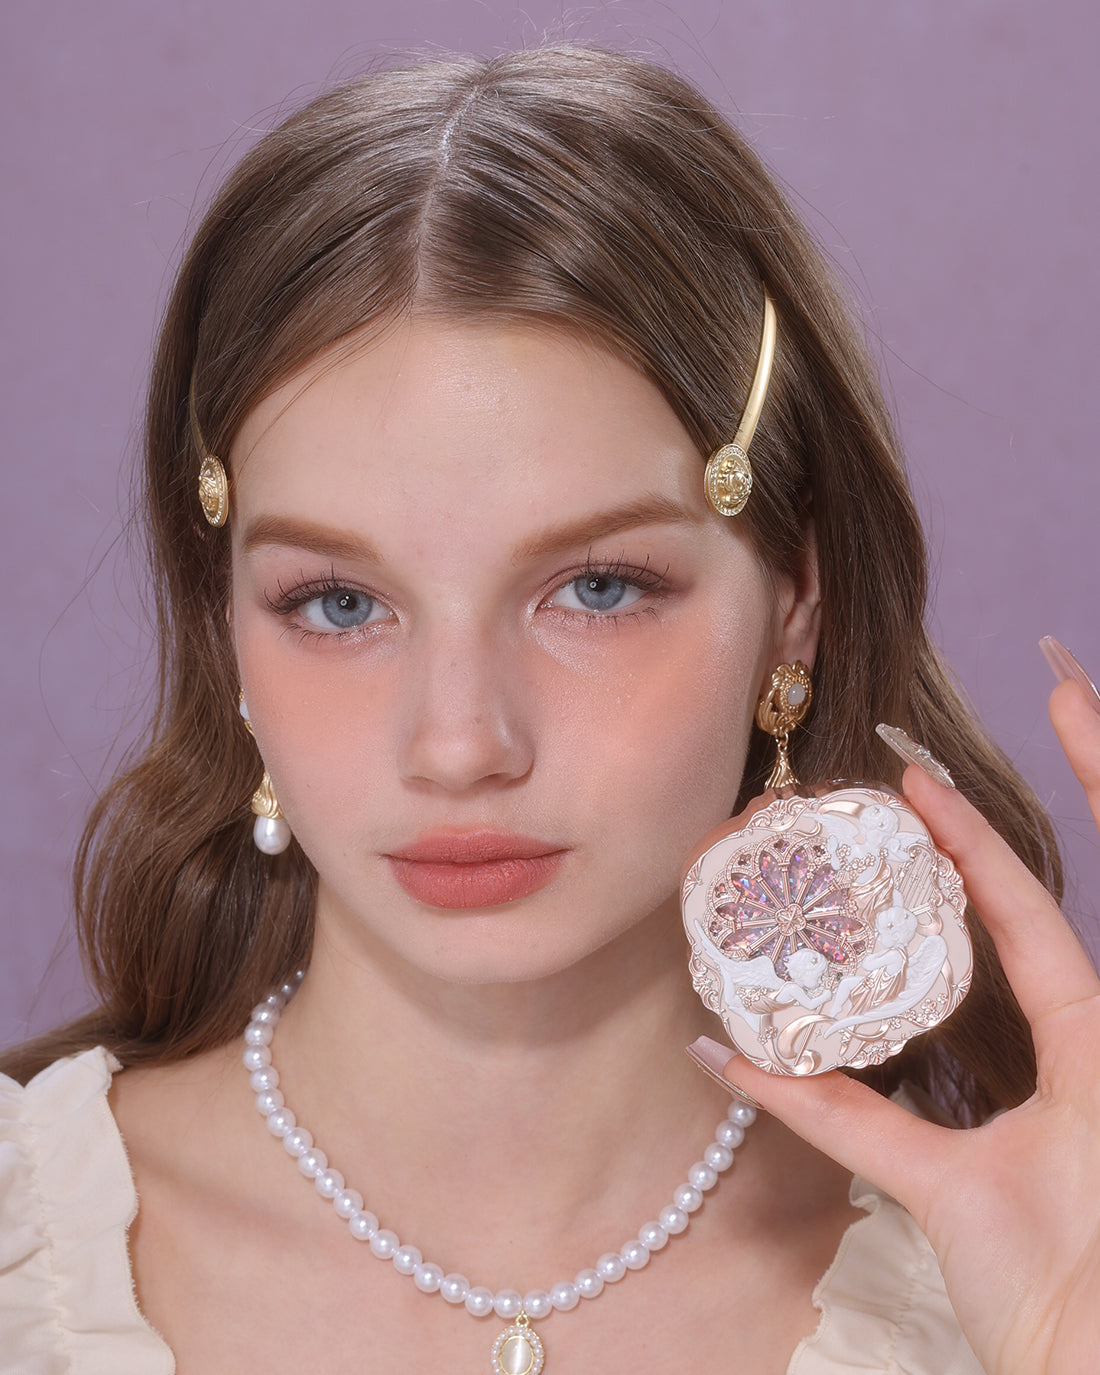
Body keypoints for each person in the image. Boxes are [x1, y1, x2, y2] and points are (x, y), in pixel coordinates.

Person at [1, 44, 1097, 1374]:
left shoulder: (1018, 1290)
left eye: (596, 589)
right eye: (339, 603)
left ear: (792, 601)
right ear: (223, 615)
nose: (460, 745)